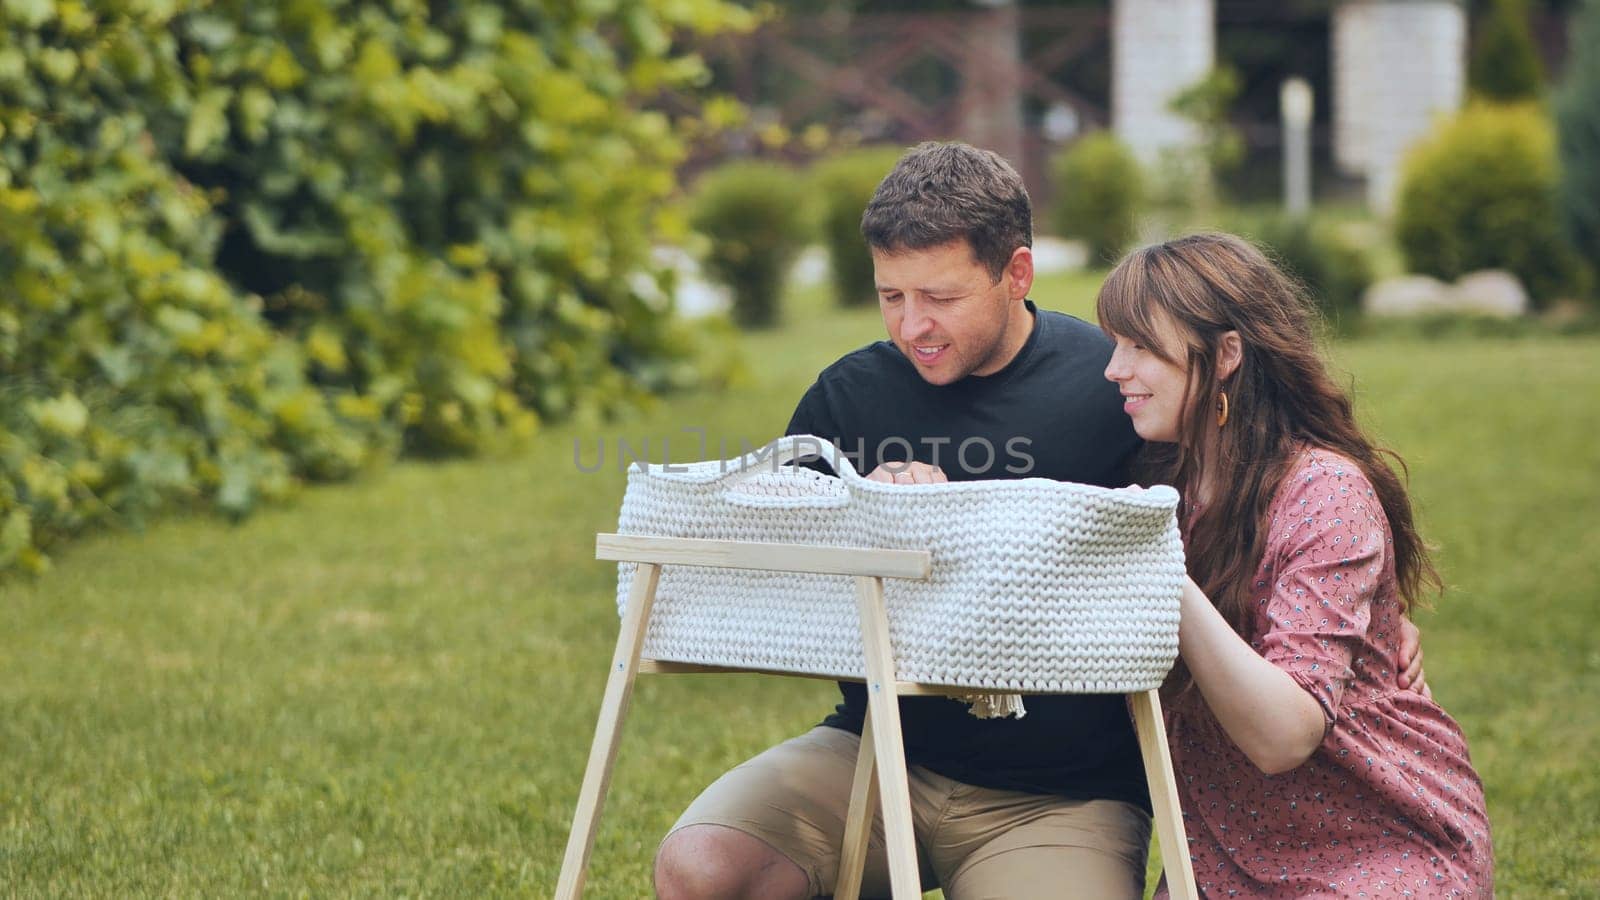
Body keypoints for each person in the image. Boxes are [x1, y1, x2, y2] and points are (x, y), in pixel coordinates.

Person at [653, 143, 1427, 900]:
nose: (912, 325)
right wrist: (869, 511)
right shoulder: (848, 398)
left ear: (1016, 272)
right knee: (702, 867)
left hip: (1064, 795)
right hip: (874, 752)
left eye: (942, 297)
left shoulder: (1119, 387)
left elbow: (1244, 522)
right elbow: (774, 573)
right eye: (892, 295)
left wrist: (1379, 627)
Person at [1097, 232, 1493, 898]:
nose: (1114, 369)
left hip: (1380, 840)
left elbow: (1284, 737)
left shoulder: (1323, 492)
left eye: (1140, 346)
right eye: (1116, 343)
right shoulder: (1153, 472)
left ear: (1225, 355)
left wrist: (1164, 573)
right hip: (1224, 859)